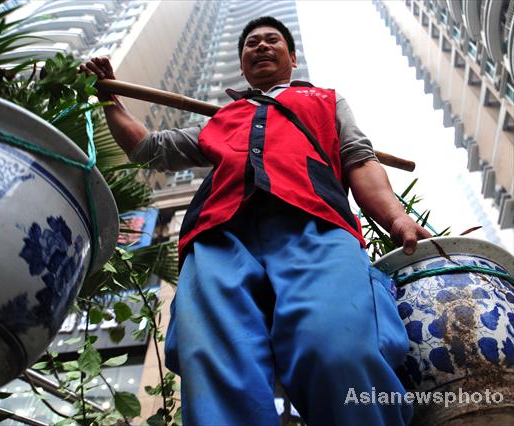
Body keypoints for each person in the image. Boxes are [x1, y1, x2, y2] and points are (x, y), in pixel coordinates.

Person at [82, 16, 431, 426]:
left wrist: (396, 218)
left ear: (292, 57)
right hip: (218, 235)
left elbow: (359, 159)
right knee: (213, 360)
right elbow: (147, 147)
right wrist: (108, 98)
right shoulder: (223, 118)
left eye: (271, 40)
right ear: (243, 65)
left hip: (315, 225)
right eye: (251, 43)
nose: (261, 46)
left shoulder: (326, 100)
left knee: (340, 347)